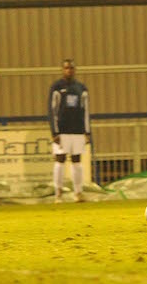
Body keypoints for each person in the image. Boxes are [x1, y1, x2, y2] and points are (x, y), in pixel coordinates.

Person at [48, 59, 90, 203]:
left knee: (77, 161)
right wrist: (55, 132)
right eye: (66, 68)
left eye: (71, 68)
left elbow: (85, 111)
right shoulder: (57, 87)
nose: (69, 70)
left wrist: (87, 132)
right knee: (60, 160)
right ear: (62, 70)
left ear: (74, 70)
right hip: (62, 130)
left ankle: (78, 193)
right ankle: (58, 194)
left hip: (77, 130)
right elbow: (52, 110)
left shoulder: (81, 88)